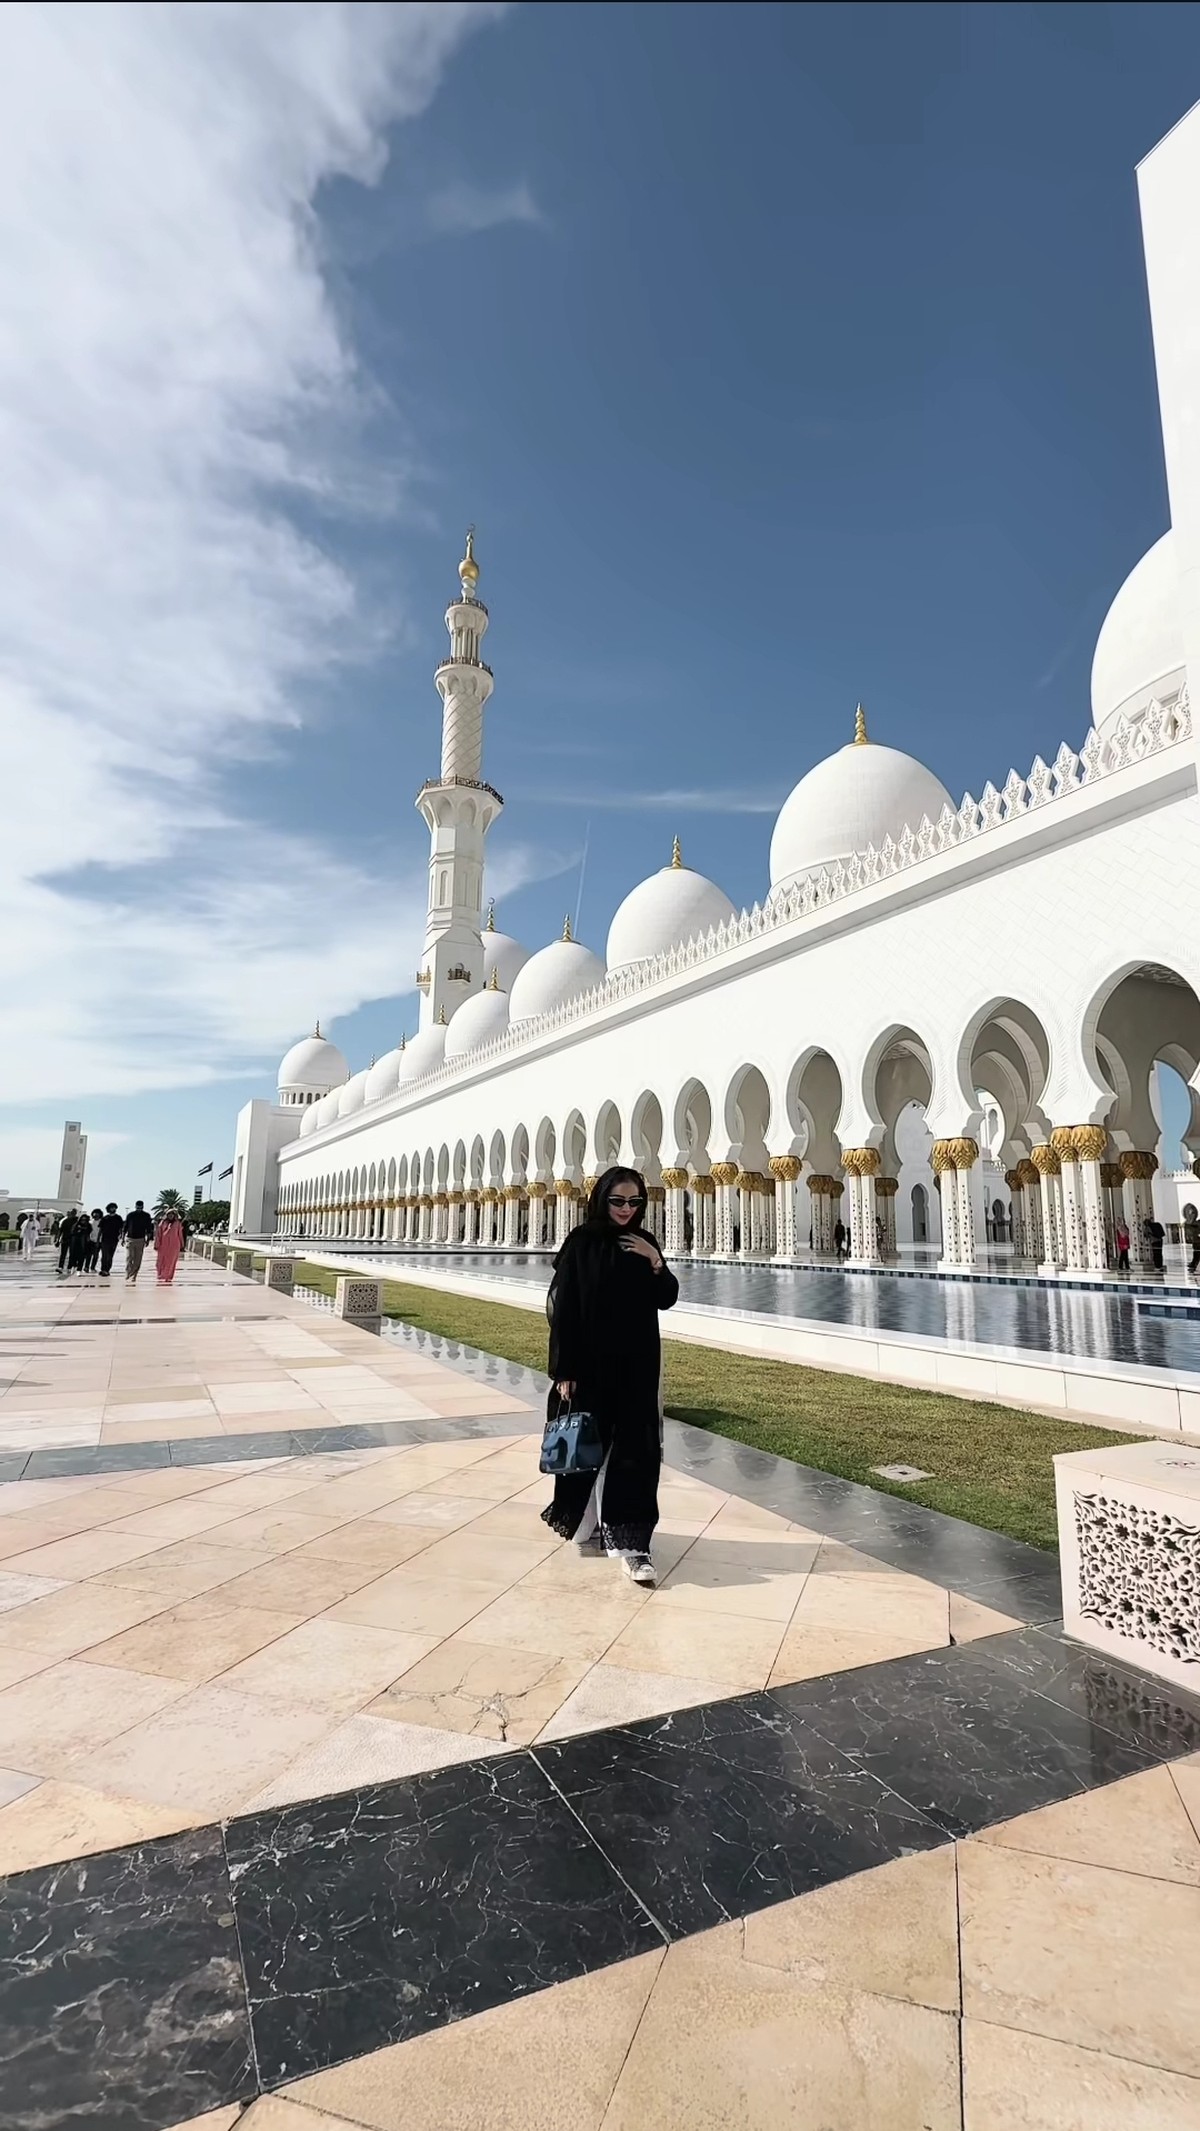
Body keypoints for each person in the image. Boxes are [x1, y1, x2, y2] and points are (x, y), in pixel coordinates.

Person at [541, 1166, 679, 1586]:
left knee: (635, 1452)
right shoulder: (581, 1244)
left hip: (637, 1366)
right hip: (590, 1368)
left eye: (634, 1202)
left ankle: (633, 1546)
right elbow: (562, 1311)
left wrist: (655, 1261)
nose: (626, 1209)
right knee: (586, 1447)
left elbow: (667, 1298)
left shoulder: (645, 1243)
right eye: (618, 1201)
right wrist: (565, 1369)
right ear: (602, 1199)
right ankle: (585, 1520)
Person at [123, 1200, 154, 1284]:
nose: (139, 1209)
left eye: (140, 1207)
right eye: (137, 1207)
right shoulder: (130, 1215)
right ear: (135, 1206)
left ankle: (134, 1275)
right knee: (129, 1257)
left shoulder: (146, 1216)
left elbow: (148, 1229)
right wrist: (122, 1238)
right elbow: (125, 1227)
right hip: (130, 1239)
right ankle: (128, 1272)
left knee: (138, 1259)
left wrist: (148, 1240)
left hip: (140, 1239)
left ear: (142, 1207)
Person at [154, 1205, 185, 1285]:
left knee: (171, 1262)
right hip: (163, 1245)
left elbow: (180, 1234)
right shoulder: (162, 1223)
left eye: (172, 1214)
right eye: (169, 1214)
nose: (170, 1216)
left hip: (174, 1246)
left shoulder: (177, 1223)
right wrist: (157, 1244)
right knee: (160, 1261)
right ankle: (161, 1274)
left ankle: (168, 1276)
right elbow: (158, 1234)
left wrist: (182, 1245)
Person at [97, 1202, 124, 1278]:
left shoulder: (118, 1218)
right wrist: (98, 1239)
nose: (113, 1209)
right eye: (111, 1208)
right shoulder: (105, 1218)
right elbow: (100, 1230)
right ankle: (103, 1269)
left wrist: (121, 1237)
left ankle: (107, 1269)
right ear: (108, 1209)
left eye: (114, 1207)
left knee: (110, 1256)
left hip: (114, 1239)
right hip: (105, 1239)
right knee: (104, 1255)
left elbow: (121, 1229)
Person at [57, 1210, 77, 1276]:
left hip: (73, 1240)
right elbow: (61, 1230)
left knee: (72, 1254)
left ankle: (69, 1266)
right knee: (63, 1254)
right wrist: (58, 1239)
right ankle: (61, 1266)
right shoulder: (65, 1221)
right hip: (65, 1239)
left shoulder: (77, 1221)